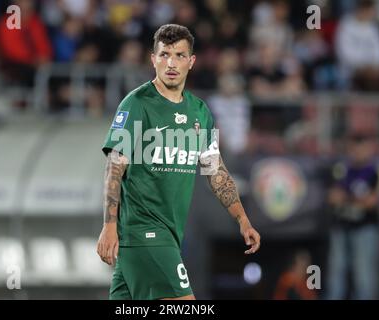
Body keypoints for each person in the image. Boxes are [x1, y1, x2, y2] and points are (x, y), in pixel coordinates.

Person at [97, 24, 260, 300]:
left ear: (191, 61)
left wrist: (243, 219)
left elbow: (215, 171)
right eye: (164, 54)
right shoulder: (136, 103)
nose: (171, 63)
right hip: (146, 234)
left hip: (164, 237)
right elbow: (115, 166)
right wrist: (109, 225)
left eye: (180, 55)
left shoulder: (200, 112)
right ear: (153, 59)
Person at [326, 134, 379, 299]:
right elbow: (332, 197)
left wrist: (347, 198)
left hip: (365, 228)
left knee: (363, 273)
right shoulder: (343, 170)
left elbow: (372, 201)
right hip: (342, 226)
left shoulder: (373, 172)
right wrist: (356, 200)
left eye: (361, 147)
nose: (358, 152)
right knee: (336, 270)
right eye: (355, 148)